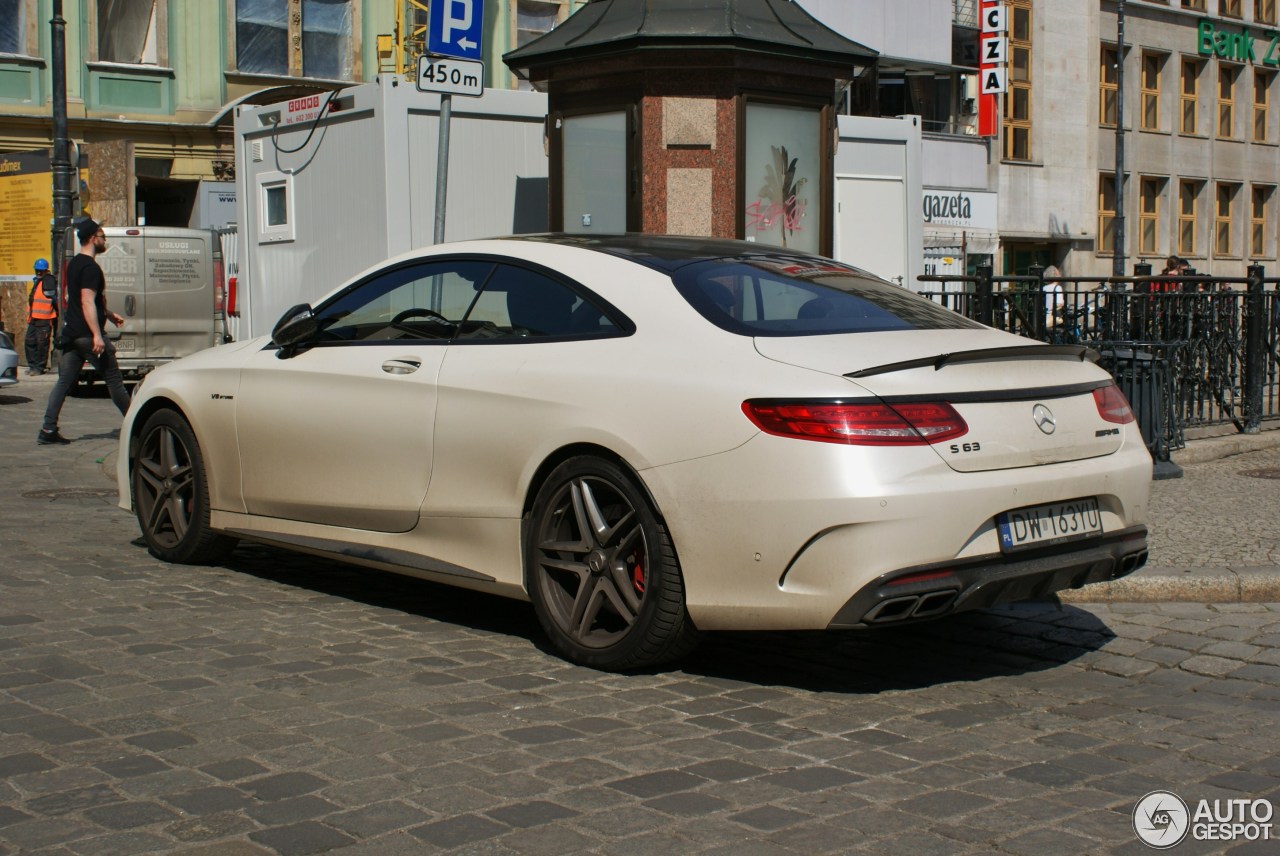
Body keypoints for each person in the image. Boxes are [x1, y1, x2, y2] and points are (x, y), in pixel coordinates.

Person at [38, 219, 130, 445]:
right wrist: (98, 335)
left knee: (64, 382)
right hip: (87, 336)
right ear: (92, 238)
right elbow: (87, 301)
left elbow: (83, 301)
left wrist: (107, 313)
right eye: (101, 235)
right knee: (114, 381)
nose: (104, 240)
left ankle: (48, 430)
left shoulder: (75, 264)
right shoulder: (90, 268)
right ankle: (136, 425)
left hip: (72, 334)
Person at [25, 258, 58, 375]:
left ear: (46, 270)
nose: (38, 272)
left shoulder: (48, 280)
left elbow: (54, 299)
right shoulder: (37, 282)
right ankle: (32, 366)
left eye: (41, 271)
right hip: (34, 318)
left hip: (45, 318)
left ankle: (39, 368)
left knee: (42, 344)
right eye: (37, 270)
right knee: (29, 341)